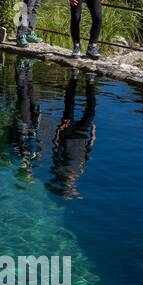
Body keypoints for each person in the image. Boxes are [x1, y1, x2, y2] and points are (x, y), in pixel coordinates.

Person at [48, 68, 98, 198]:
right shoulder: (81, 171)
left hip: (67, 132)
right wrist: (93, 135)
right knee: (91, 111)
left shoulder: (60, 167)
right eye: (72, 186)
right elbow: (88, 151)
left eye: (69, 186)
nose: (71, 183)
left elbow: (56, 145)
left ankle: (74, 78)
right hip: (82, 133)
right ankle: (90, 81)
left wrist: (59, 129)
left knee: (69, 105)